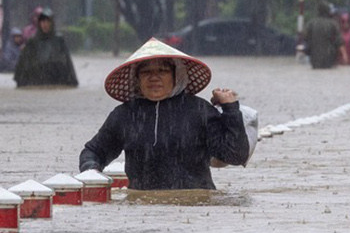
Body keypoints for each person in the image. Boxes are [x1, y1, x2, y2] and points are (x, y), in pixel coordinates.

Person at [77, 38, 249, 190]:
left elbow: (235, 155)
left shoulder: (199, 111)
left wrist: (231, 109)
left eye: (162, 71)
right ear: (137, 79)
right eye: (146, 72)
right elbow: (94, 151)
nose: (154, 78)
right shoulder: (125, 115)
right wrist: (91, 170)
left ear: (176, 76)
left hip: (194, 208)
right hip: (141, 206)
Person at [13, 11, 79, 87]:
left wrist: (72, 82)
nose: (45, 24)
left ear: (52, 23)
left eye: (48, 21)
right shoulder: (32, 41)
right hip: (36, 82)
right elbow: (23, 64)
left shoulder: (59, 40)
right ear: (39, 23)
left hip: (56, 81)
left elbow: (68, 63)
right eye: (43, 21)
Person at [306, 3, 343, 70]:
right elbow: (339, 42)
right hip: (329, 58)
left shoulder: (311, 23)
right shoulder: (333, 24)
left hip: (314, 57)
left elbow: (306, 38)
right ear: (328, 11)